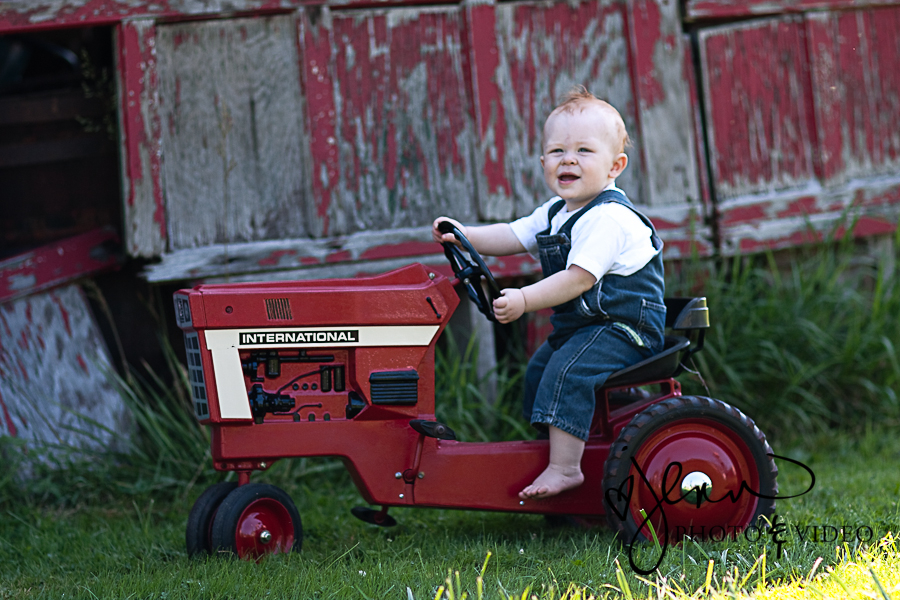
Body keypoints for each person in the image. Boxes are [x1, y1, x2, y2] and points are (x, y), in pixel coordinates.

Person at [432, 86, 666, 500]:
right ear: (543, 163)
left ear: (616, 166)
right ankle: (564, 441)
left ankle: (566, 469)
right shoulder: (557, 212)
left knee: (567, 372)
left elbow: (578, 279)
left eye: (583, 151)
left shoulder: (608, 218)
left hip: (624, 327)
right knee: (541, 372)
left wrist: (522, 299)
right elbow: (512, 233)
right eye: (557, 151)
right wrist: (464, 235)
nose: (568, 159)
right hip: (584, 328)